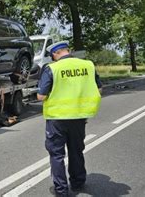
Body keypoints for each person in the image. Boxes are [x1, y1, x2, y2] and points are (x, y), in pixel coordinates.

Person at [37, 41, 102, 196]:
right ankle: (78, 183)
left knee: (57, 154)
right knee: (76, 150)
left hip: (57, 118)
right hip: (79, 117)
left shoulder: (52, 68)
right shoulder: (88, 65)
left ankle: (61, 190)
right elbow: (98, 88)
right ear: (68, 50)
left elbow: (41, 96)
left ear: (54, 54)